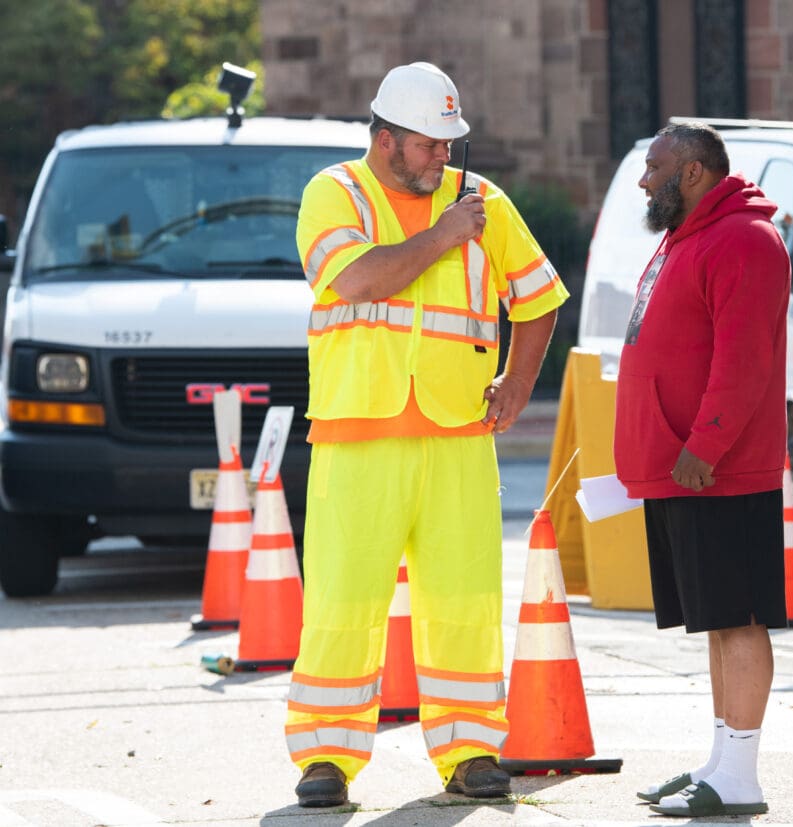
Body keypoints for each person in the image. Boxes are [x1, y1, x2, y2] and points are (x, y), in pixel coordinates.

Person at [286, 61, 569, 806]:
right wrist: (446, 236)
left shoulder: (484, 204)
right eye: (430, 144)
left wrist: (516, 381)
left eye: (450, 144)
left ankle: (472, 749)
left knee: (464, 598)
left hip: (457, 434)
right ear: (386, 140)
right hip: (357, 430)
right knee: (343, 601)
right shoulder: (334, 193)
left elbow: (540, 297)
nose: (445, 157)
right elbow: (358, 281)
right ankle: (326, 756)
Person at [613, 122, 791, 818]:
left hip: (722, 470)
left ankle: (740, 776)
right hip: (686, 468)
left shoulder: (744, 239)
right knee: (716, 620)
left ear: (692, 171)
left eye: (654, 167)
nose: (643, 179)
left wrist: (706, 444)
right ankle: (721, 761)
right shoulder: (688, 235)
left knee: (739, 619)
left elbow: (744, 359)